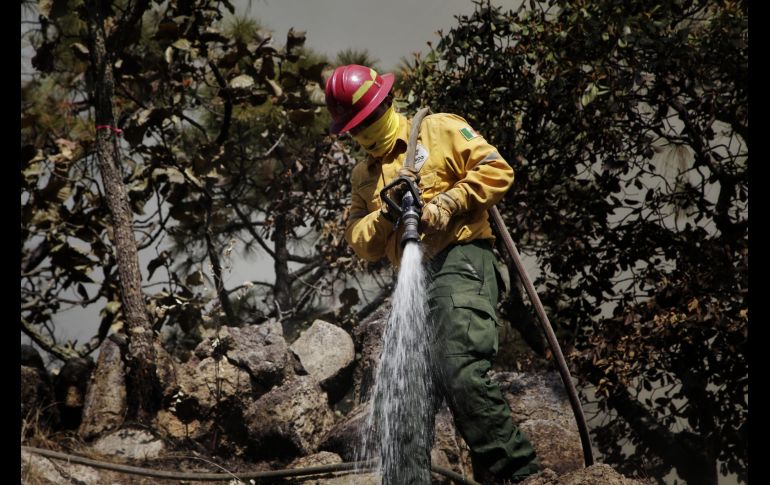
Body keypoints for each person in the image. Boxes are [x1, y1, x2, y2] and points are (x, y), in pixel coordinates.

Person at [325, 64, 541, 484]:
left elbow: (498, 170)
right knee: (402, 395)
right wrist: (386, 214)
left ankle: (520, 476)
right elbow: (360, 240)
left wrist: (449, 202)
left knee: (457, 367)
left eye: (370, 119)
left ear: (387, 102)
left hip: (462, 258)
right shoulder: (364, 177)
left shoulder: (438, 129)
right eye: (355, 128)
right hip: (416, 276)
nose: (365, 132)